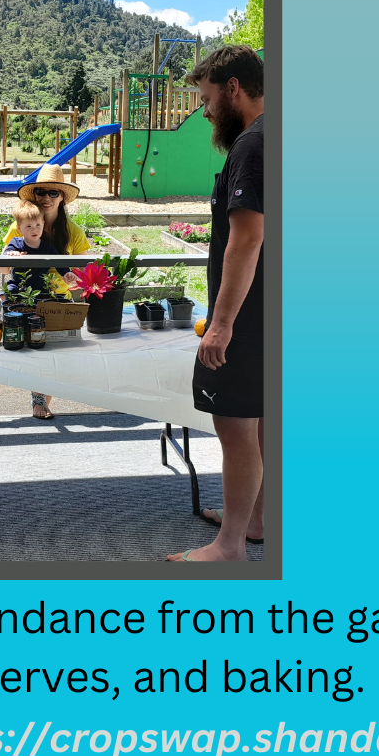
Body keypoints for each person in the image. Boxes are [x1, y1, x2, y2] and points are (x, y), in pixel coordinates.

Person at [168, 45, 265, 563]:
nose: (204, 111)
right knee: (266, 418)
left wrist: (221, 324)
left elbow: (247, 240)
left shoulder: (253, 145)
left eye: (206, 99)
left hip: (250, 316)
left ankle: (228, 548)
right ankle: (255, 521)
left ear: (232, 89)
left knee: (235, 425)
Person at [2, 164, 88, 419]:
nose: (47, 198)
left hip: (57, 300)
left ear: (62, 198)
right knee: (32, 351)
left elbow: (84, 268)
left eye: (54, 193)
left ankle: (40, 401)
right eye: (41, 191)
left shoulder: (72, 231)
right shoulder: (18, 228)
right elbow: (5, 267)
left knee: (52, 356)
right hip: (25, 299)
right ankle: (39, 400)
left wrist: (75, 279)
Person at [3, 201, 64, 299]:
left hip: (40, 288)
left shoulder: (47, 246)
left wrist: (66, 273)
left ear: (43, 224)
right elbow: (7, 252)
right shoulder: (16, 243)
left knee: (45, 302)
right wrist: (11, 253)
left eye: (38, 225)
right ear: (19, 228)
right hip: (18, 285)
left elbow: (59, 262)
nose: (34, 230)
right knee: (6, 294)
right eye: (29, 226)